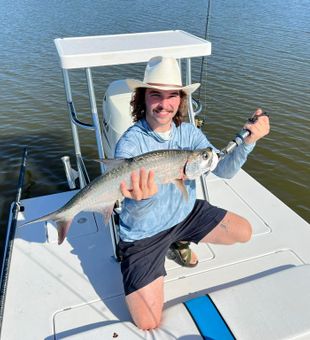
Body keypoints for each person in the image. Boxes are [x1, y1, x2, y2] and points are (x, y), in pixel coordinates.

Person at [114, 56, 270, 330]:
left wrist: (248, 142)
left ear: (181, 99)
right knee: (148, 322)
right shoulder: (130, 143)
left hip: (184, 214)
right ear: (143, 98)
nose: (164, 104)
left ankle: (178, 241)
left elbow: (222, 170)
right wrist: (138, 198)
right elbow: (126, 194)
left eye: (172, 95)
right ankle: (151, 254)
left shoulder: (189, 134)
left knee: (243, 231)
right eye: (155, 95)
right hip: (144, 234)